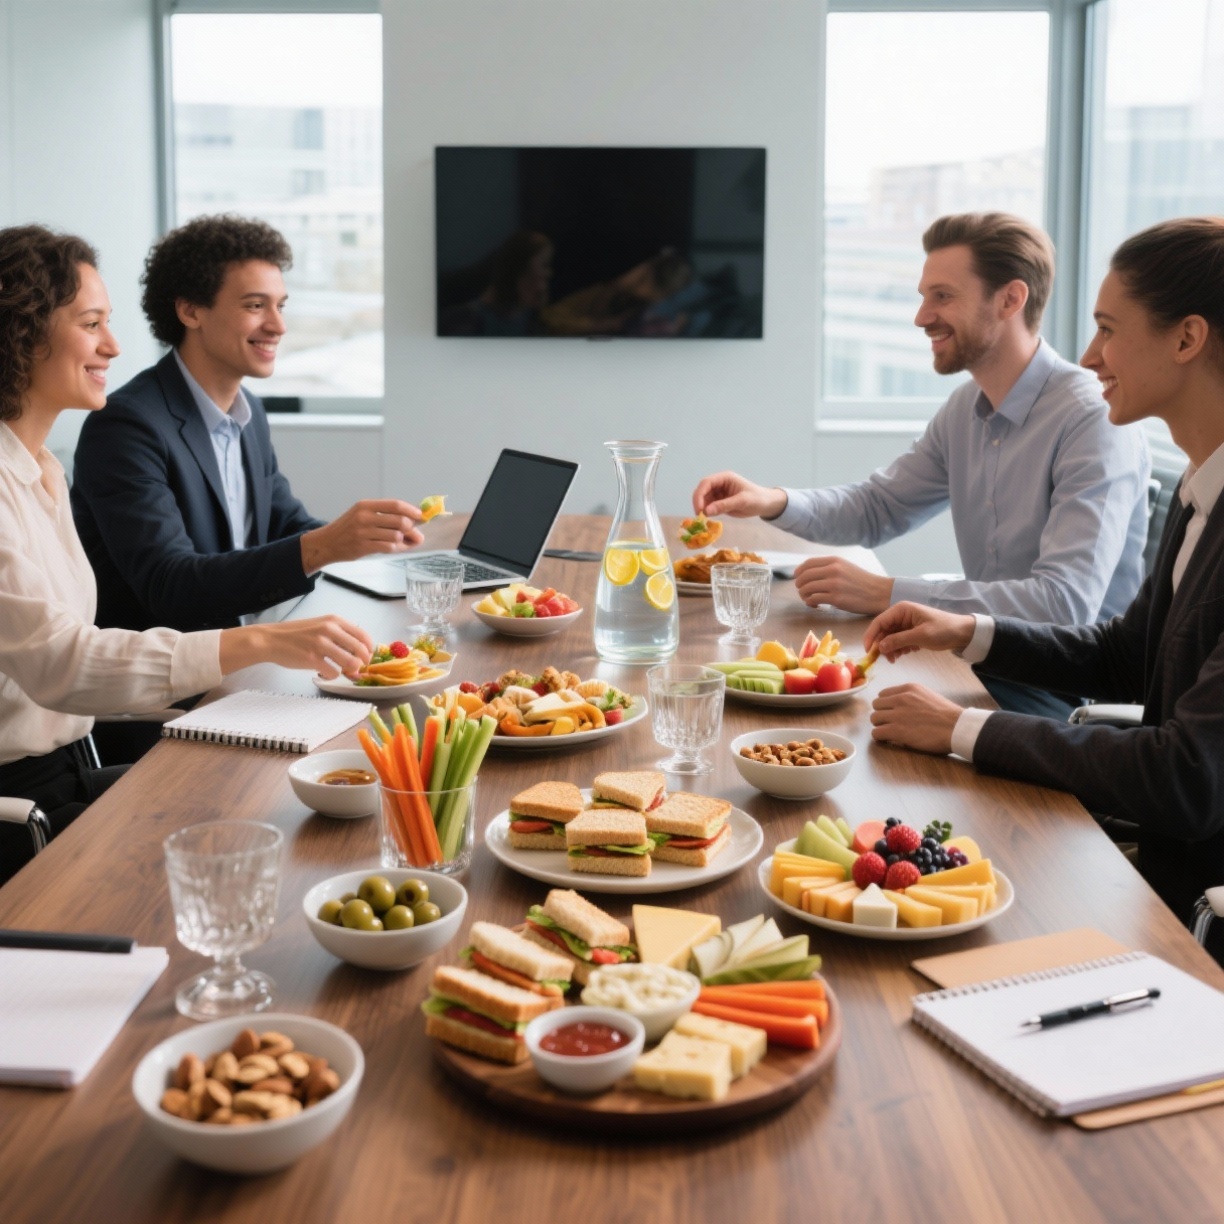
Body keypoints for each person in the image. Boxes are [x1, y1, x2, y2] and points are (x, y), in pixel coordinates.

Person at [863, 217, 1224, 960]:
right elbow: (1127, 655)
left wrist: (961, 729)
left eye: (1108, 329)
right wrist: (966, 631)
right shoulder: (1199, 491)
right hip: (1155, 883)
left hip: (1185, 918)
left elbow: (1187, 778)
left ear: (1186, 339)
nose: (1090, 355)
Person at [0, 224, 375, 883]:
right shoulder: (105, 438)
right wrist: (261, 645)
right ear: (22, 331)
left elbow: (283, 520)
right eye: (92, 324)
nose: (114, 347)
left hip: (76, 761)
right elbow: (63, 661)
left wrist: (381, 555)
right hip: (22, 809)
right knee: (263, 851)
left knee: (315, 804)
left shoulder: (40, 472)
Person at [692, 212, 1151, 717]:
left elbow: (1063, 605)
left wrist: (887, 593)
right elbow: (879, 507)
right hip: (979, 666)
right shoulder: (965, 408)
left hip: (1061, 694)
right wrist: (770, 499)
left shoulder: (1094, 417)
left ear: (1010, 299)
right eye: (923, 296)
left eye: (943, 296)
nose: (921, 316)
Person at [70, 214, 424, 636]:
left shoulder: (248, 412)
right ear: (190, 310)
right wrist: (327, 545)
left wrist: (378, 544)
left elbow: (287, 525)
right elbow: (171, 586)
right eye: (256, 306)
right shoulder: (126, 425)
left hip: (244, 655)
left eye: (281, 305)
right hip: (171, 685)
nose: (278, 325)